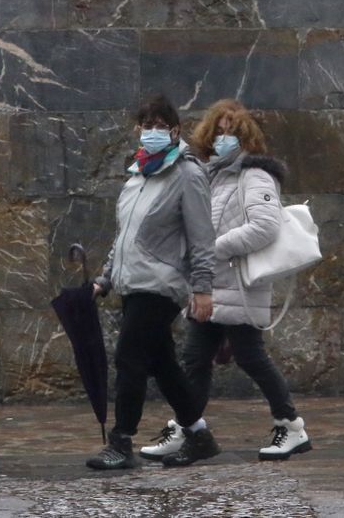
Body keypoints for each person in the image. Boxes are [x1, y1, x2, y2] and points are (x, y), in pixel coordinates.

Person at [141, 99, 311, 464]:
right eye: (218, 131)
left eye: (231, 132)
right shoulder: (213, 175)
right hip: (209, 286)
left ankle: (292, 425)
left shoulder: (254, 175)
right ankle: (188, 429)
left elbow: (265, 226)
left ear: (246, 136)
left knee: (250, 356)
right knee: (195, 359)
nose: (223, 138)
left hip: (239, 285)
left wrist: (212, 248)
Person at [86, 93, 220, 471]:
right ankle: (199, 435)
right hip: (132, 283)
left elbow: (201, 238)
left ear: (176, 130)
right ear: (137, 130)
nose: (155, 132)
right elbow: (123, 238)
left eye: (162, 126)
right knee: (163, 365)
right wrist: (104, 280)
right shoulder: (137, 176)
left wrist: (203, 288)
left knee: (130, 359)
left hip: (161, 285)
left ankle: (121, 442)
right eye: (148, 125)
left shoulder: (188, 174)